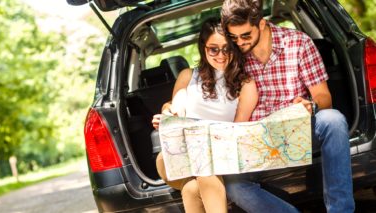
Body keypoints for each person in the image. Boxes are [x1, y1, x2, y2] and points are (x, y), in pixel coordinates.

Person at [220, 0, 355, 212]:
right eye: (234, 37)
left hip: (297, 131)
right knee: (232, 183)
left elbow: (323, 97)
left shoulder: (298, 43)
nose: (240, 42)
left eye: (246, 35)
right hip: (258, 142)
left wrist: (310, 105)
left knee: (334, 120)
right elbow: (199, 81)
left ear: (262, 24)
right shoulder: (233, 56)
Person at [152, 17, 258, 213]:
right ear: (203, 48)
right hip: (177, 159)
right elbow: (176, 107)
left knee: (194, 186)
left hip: (223, 158)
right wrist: (167, 115)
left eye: (227, 48)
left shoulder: (246, 84)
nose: (221, 55)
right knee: (200, 165)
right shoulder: (188, 76)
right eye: (213, 49)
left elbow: (238, 130)